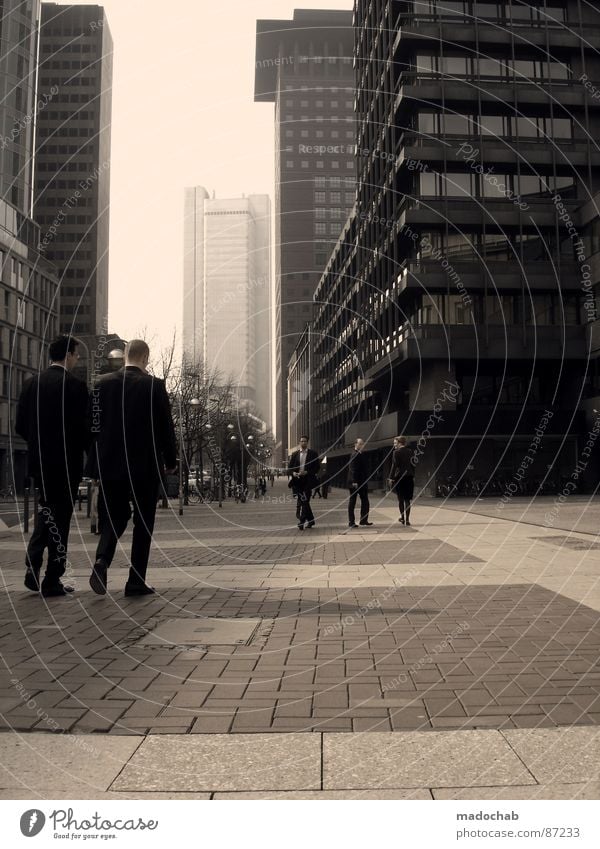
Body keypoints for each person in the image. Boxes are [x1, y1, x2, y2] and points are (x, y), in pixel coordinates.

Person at [87, 340, 177, 597]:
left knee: (114, 517)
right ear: (146, 357)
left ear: (125, 355)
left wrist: (96, 459)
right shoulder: (154, 386)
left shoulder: (101, 384)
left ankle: (102, 561)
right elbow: (165, 429)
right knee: (143, 522)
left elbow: (91, 427)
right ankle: (135, 581)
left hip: (110, 465)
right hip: (144, 466)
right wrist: (170, 462)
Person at [16, 335, 89, 597]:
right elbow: (84, 430)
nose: (78, 358)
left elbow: (20, 426)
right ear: (68, 354)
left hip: (39, 462)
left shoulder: (31, 384)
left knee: (47, 511)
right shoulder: (76, 386)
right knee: (61, 518)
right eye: (77, 354)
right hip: (66, 463)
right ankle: (51, 577)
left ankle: (33, 562)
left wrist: (38, 444)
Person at [288, 435, 320, 529]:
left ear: (307, 443)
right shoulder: (295, 454)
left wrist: (307, 472)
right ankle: (311, 520)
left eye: (305, 441)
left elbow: (317, 468)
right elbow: (289, 468)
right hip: (298, 482)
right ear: (299, 443)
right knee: (304, 502)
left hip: (308, 481)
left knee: (305, 501)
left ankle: (301, 522)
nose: (303, 443)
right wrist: (293, 473)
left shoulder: (313, 454)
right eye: (301, 441)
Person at [388, 435, 415, 526]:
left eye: (395, 443)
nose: (394, 445)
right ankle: (407, 520)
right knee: (407, 499)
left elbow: (394, 466)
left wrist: (391, 478)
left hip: (399, 478)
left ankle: (402, 517)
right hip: (409, 477)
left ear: (400, 443)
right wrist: (412, 474)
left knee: (400, 499)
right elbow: (413, 465)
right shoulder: (410, 452)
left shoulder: (396, 452)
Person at [347, 437, 372, 527]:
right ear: (355, 444)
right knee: (352, 502)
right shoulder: (355, 454)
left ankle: (363, 520)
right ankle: (351, 522)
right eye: (360, 443)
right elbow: (353, 469)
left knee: (365, 501)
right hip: (355, 482)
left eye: (362, 443)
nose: (362, 445)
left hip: (362, 482)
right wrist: (354, 481)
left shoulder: (361, 454)